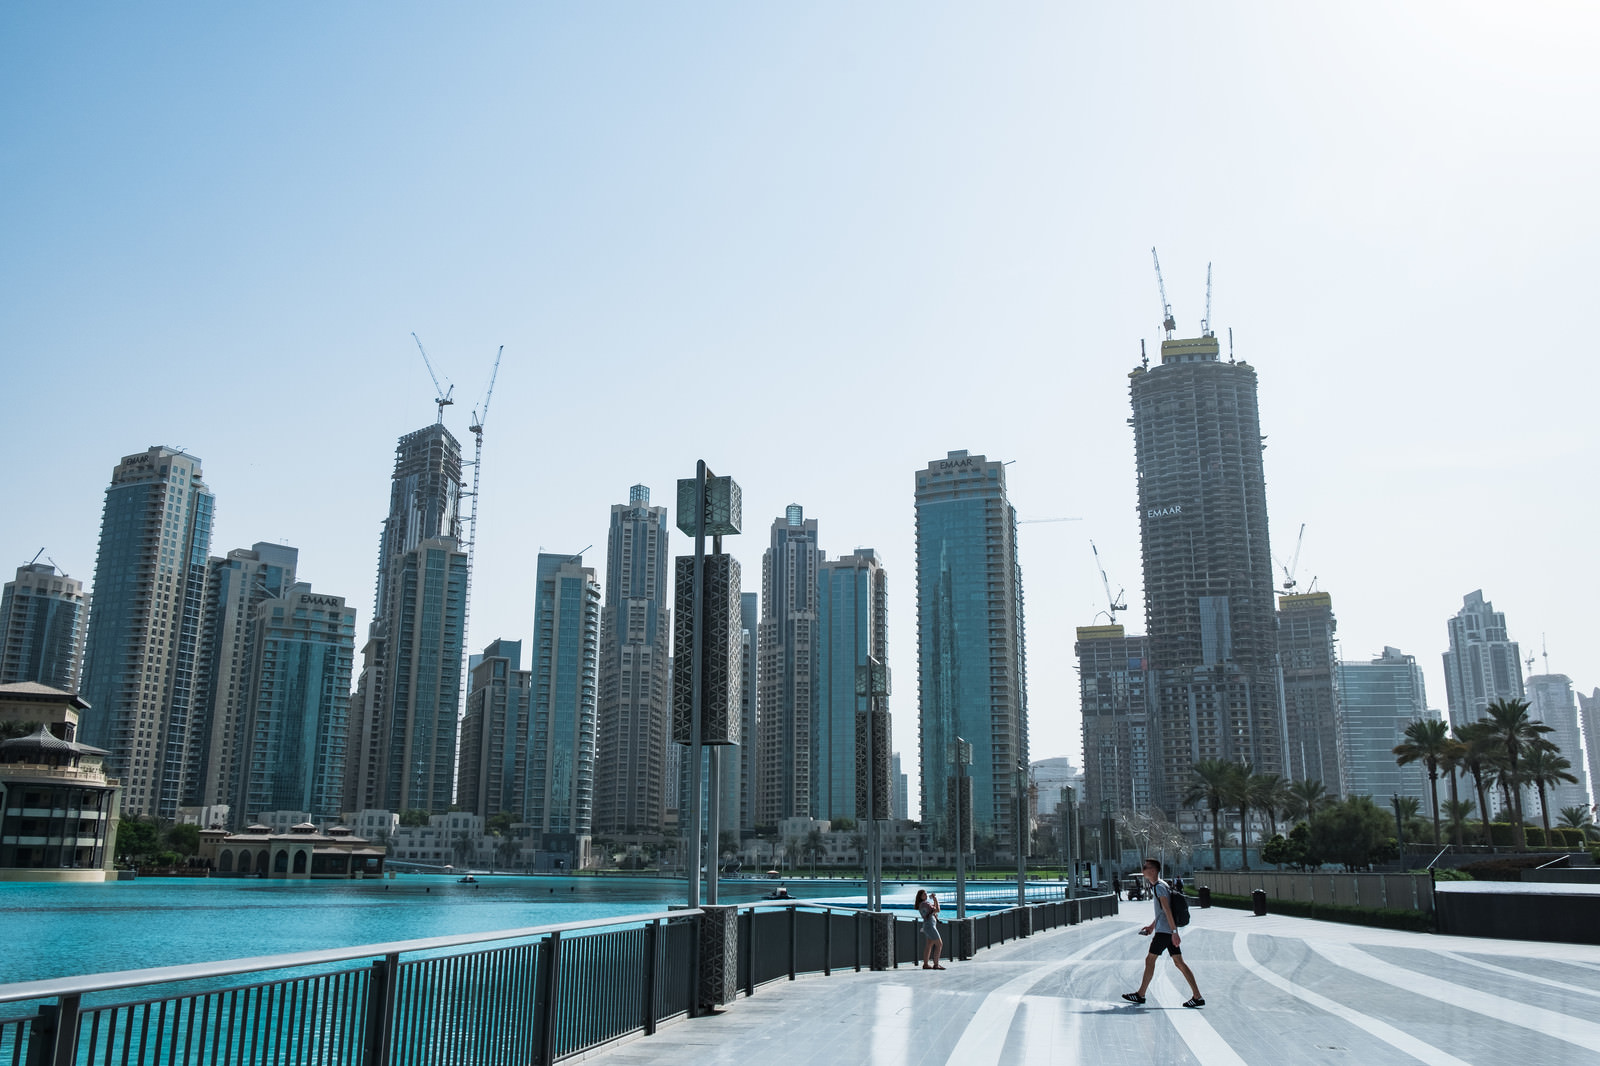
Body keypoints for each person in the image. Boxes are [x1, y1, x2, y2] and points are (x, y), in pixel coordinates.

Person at [1121, 857, 1204, 1008]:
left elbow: (1167, 910)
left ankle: (1140, 994)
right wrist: (1153, 926)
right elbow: (1161, 912)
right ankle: (1197, 996)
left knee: (1150, 960)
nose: (1143, 870)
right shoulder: (1161, 885)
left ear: (1153, 870)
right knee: (1179, 962)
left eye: (1145, 868)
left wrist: (1174, 932)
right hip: (1166, 930)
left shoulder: (1159, 887)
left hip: (1165, 932)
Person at [915, 889, 945, 970]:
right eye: (924, 894)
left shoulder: (922, 904)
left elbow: (934, 910)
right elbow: (937, 910)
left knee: (929, 945)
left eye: (926, 894)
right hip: (930, 926)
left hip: (927, 926)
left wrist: (934, 900)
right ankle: (936, 964)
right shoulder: (925, 904)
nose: (926, 895)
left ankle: (925, 964)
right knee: (939, 944)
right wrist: (935, 899)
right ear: (920, 896)